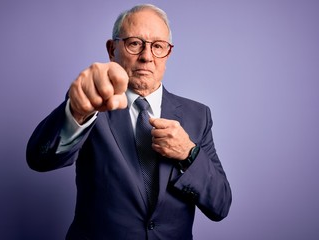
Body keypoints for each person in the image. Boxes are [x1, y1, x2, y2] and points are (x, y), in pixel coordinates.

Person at [26, 4, 232, 240]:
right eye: (134, 43)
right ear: (112, 49)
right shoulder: (90, 101)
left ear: (168, 54)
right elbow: (38, 159)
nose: (147, 56)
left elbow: (220, 205)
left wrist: (189, 153)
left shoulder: (199, 116)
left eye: (158, 46)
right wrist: (76, 112)